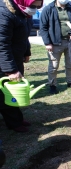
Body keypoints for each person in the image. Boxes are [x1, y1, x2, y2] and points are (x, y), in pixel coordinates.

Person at [0, 0, 43, 132]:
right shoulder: (4, 13)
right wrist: (11, 70)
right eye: (33, 6)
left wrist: (26, 52)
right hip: (4, 62)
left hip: (16, 58)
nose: (34, 9)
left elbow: (24, 36)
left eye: (37, 6)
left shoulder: (23, 13)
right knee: (5, 93)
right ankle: (13, 122)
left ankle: (16, 119)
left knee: (14, 91)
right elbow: (2, 44)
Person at [39, 0, 71, 94]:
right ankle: (52, 84)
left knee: (70, 64)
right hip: (54, 43)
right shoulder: (48, 9)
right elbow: (43, 28)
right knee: (54, 66)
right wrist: (47, 43)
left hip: (70, 42)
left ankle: (70, 82)